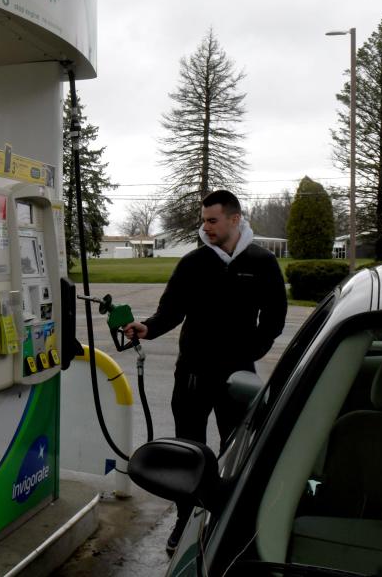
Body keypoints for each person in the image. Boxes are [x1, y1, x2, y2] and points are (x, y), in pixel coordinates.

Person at [123, 189, 287, 555]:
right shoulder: (194, 263)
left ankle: (227, 519)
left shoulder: (261, 263)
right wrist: (147, 327)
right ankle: (186, 517)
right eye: (203, 220)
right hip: (193, 375)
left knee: (235, 447)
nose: (205, 226)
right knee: (189, 450)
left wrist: (248, 353)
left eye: (212, 220)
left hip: (236, 379)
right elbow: (172, 310)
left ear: (234, 219)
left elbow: (274, 319)